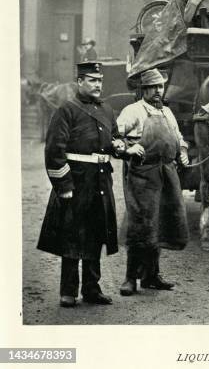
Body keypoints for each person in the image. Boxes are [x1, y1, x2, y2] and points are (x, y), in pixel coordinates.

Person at [37, 61, 126, 308]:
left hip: (100, 180)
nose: (97, 85)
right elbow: (54, 151)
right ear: (79, 82)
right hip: (76, 182)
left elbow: (114, 139)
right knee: (72, 236)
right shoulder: (67, 110)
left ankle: (91, 289)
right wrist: (63, 185)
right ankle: (68, 291)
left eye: (100, 80)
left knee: (96, 234)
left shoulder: (107, 110)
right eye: (92, 80)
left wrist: (118, 145)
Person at [117, 68, 189, 296]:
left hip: (166, 174)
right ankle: (130, 278)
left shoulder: (167, 112)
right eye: (153, 87)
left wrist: (183, 151)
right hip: (142, 175)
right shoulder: (133, 111)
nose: (158, 91)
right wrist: (128, 147)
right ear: (144, 89)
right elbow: (115, 136)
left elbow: (178, 137)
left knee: (160, 223)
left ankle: (151, 276)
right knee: (140, 224)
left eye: (161, 87)